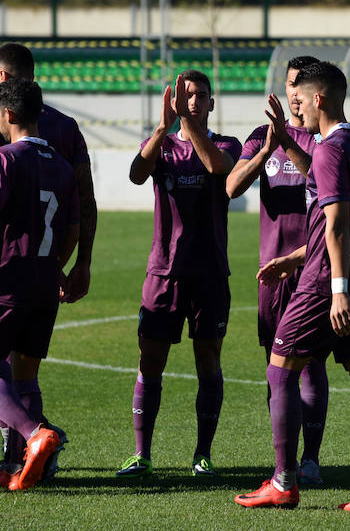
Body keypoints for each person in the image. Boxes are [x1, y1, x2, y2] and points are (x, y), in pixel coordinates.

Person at [234, 61, 350, 511]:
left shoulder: (329, 150)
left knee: (280, 368)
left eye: (299, 99)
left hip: (327, 285)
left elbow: (338, 225)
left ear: (319, 99)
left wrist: (337, 288)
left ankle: (284, 482)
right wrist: (295, 256)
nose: (295, 108)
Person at [117, 70, 241, 478]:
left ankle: (202, 454)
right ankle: (142, 454)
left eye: (200, 96)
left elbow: (215, 167)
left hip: (208, 274)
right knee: (149, 360)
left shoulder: (227, 145)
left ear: (211, 103)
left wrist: (187, 127)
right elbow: (136, 174)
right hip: (163, 273)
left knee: (208, 360)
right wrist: (160, 128)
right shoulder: (162, 147)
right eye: (185, 96)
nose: (192, 102)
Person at [225, 56, 329, 486]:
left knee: (311, 364)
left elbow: (321, 181)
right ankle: (282, 462)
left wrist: (287, 142)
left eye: (297, 86)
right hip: (271, 271)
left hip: (312, 266)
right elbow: (232, 186)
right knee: (275, 363)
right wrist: (269, 145)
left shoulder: (326, 140)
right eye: (287, 84)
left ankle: (310, 459)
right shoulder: (259, 137)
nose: (290, 93)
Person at [0, 42, 98, 478]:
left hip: (9, 276)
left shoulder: (6, 159)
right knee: (26, 373)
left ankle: (34, 433)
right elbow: (77, 220)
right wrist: (67, 263)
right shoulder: (60, 160)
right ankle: (21, 463)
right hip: (46, 277)